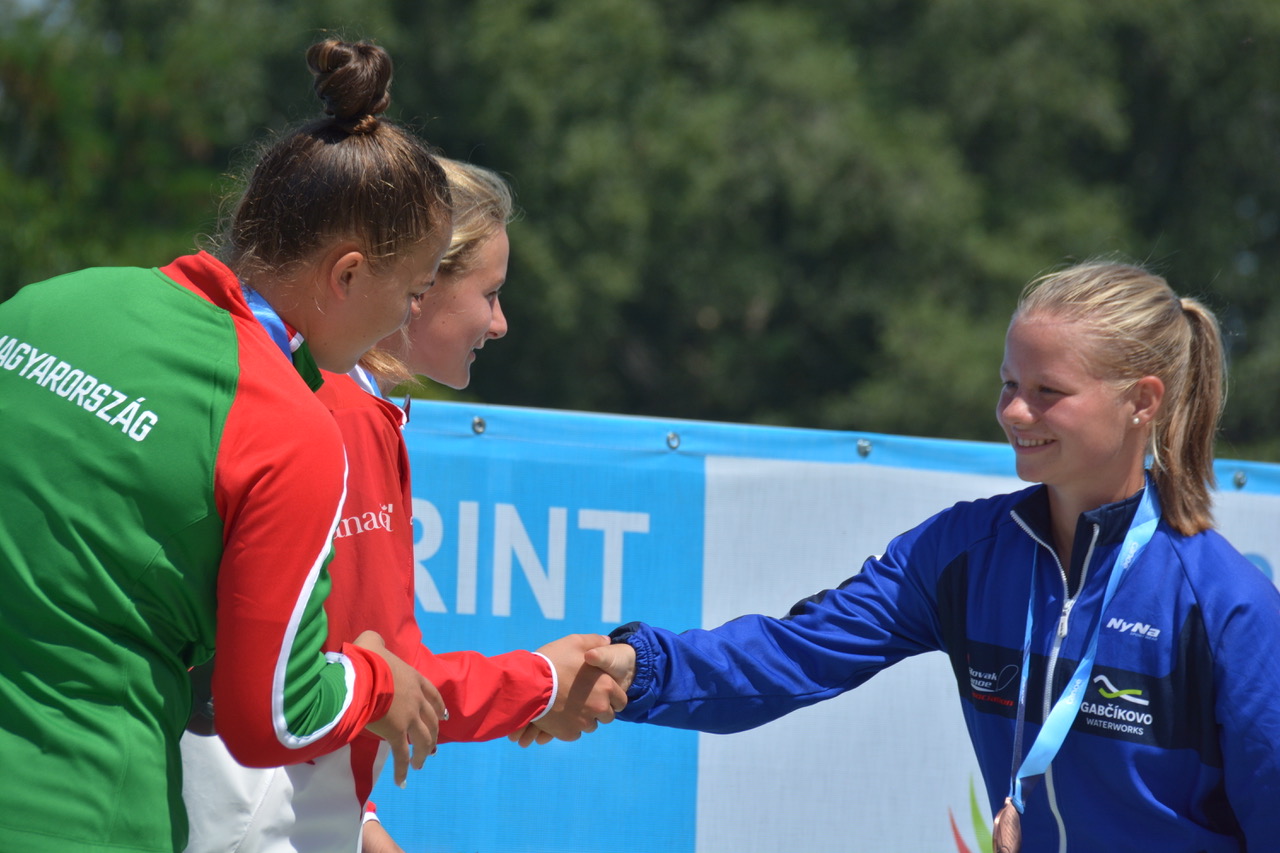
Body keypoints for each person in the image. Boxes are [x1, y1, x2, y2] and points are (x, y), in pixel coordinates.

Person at [525, 261, 1280, 852]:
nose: (1015, 411)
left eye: (1049, 391)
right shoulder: (963, 552)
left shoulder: (1225, 602)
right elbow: (796, 653)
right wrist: (641, 667)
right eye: (1009, 384)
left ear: (1143, 400)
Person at [0, 39, 451, 853]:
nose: (407, 320)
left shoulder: (45, 305)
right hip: (84, 813)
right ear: (348, 274)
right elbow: (272, 717)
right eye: (414, 292)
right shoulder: (290, 428)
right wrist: (377, 680)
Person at [182, 156, 624, 853]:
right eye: (490, 293)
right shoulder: (346, 415)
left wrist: (358, 821)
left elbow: (332, 660)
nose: (500, 323)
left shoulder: (312, 389)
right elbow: (381, 668)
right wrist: (542, 683)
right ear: (421, 285)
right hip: (254, 803)